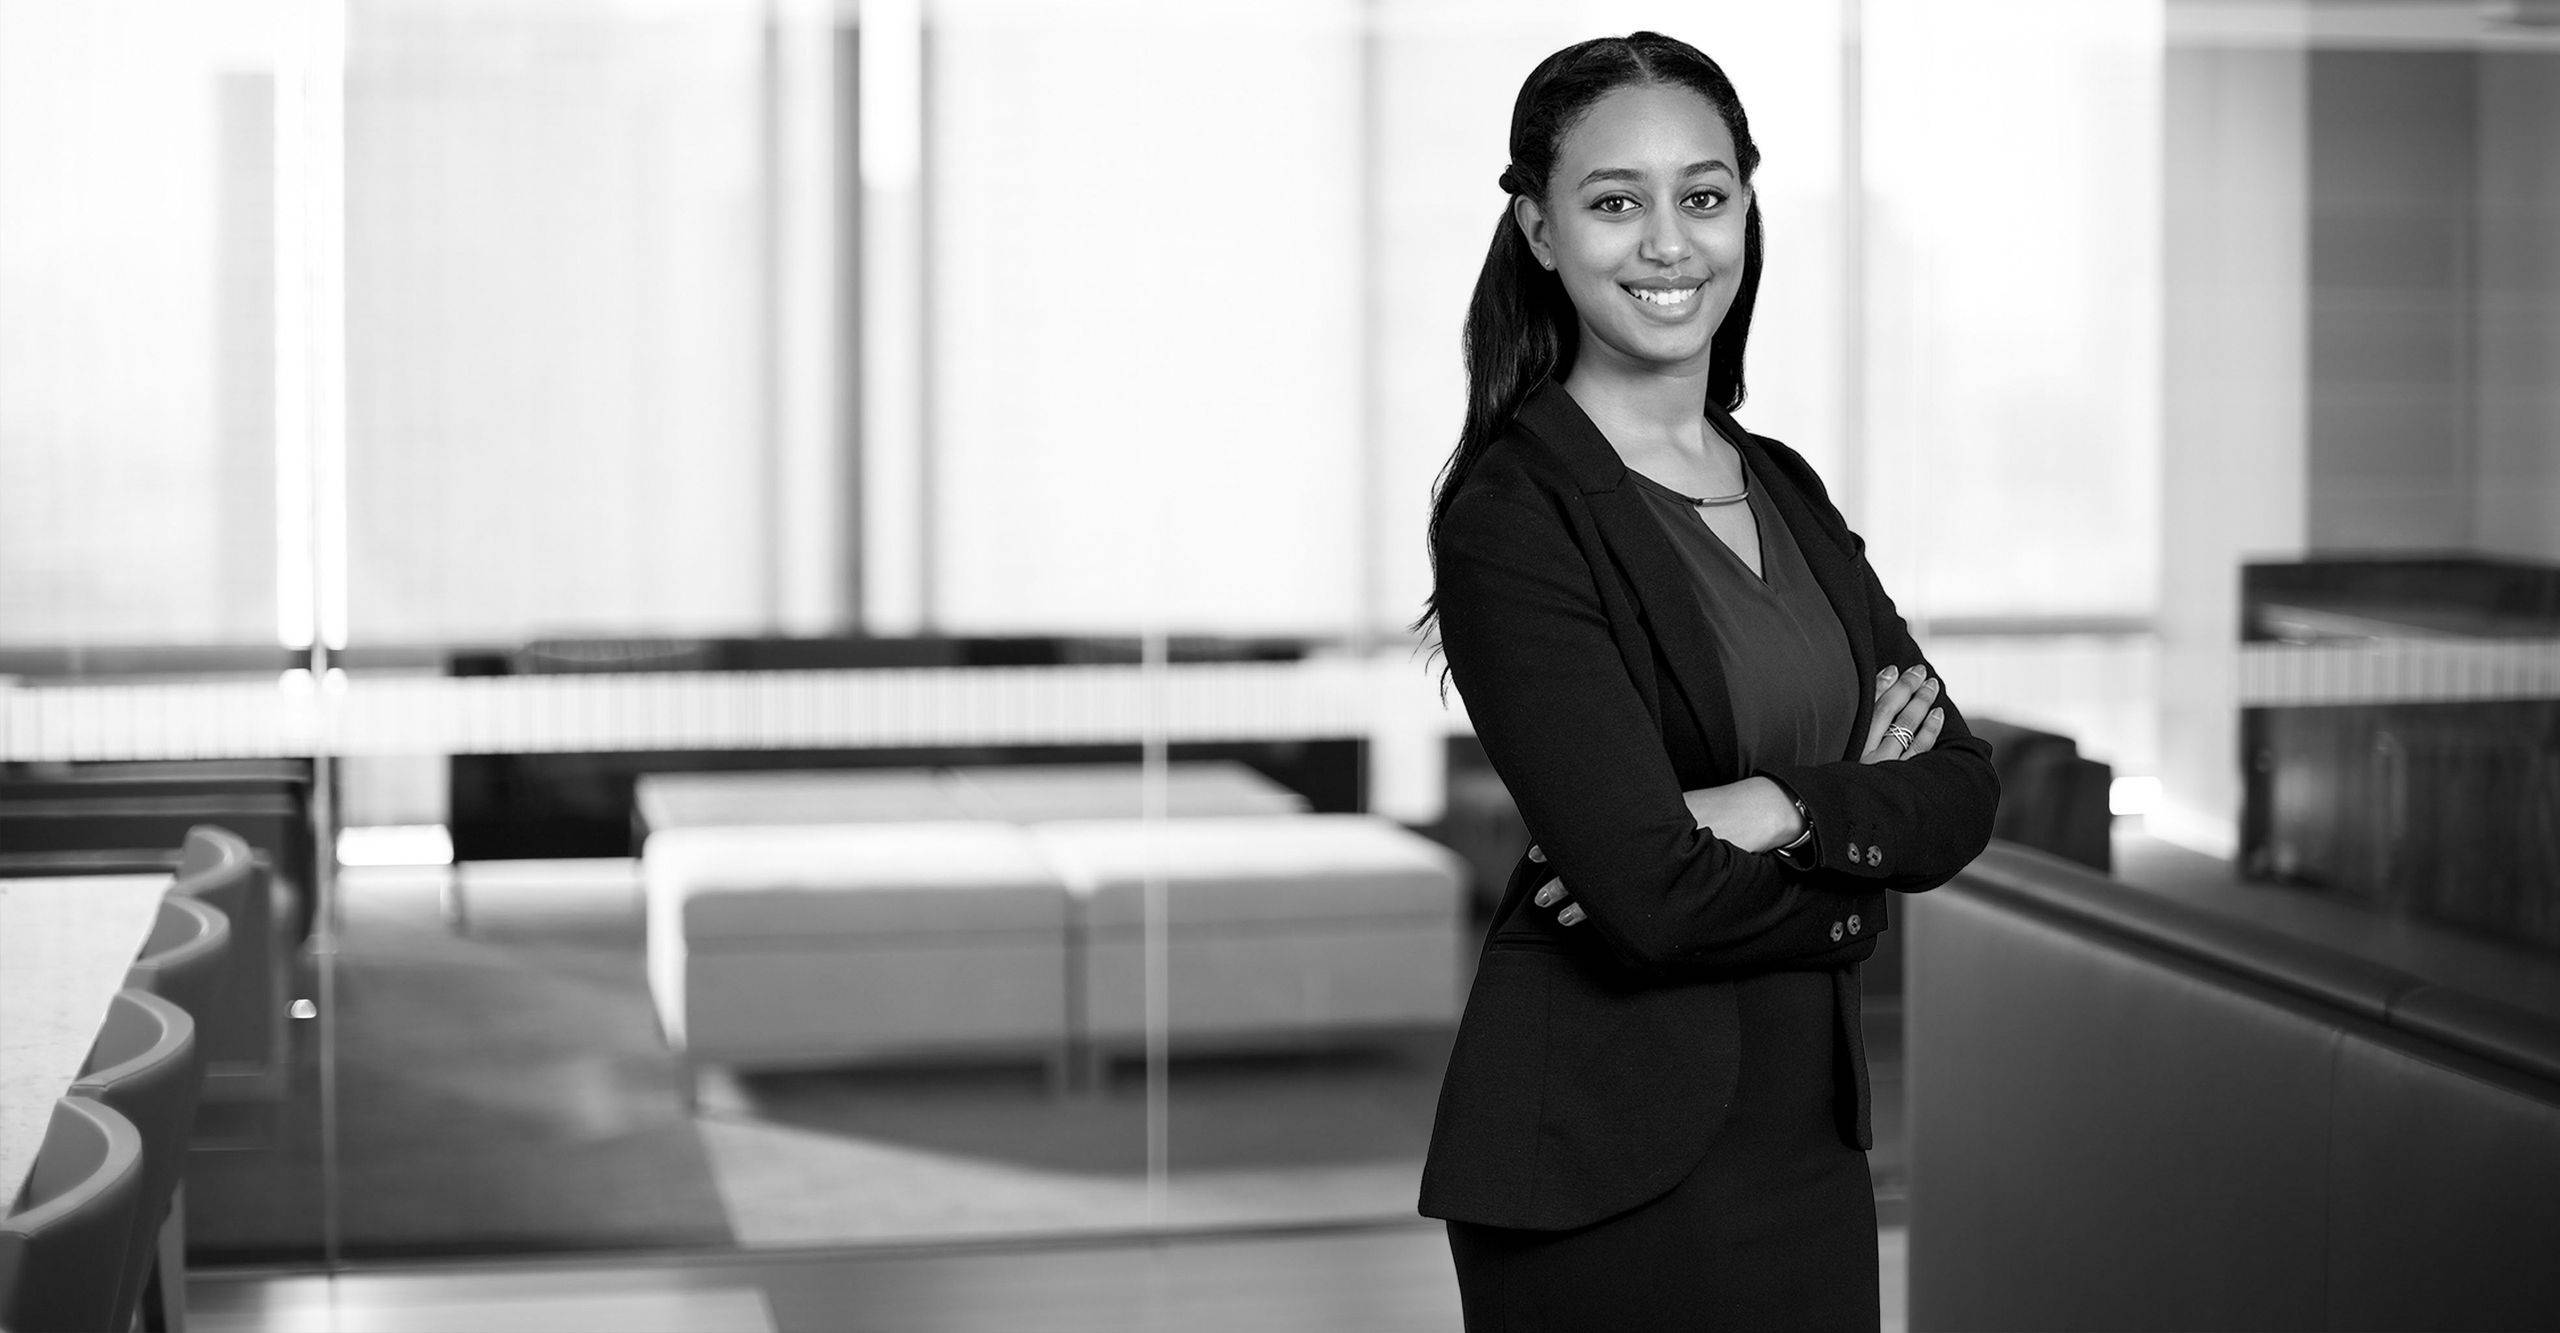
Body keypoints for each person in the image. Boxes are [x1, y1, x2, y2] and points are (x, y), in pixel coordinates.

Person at [1411, 31, 2000, 1330]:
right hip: (1604, 1164)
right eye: (1616, 201)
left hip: (1805, 1142)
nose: (1669, 242)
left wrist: (1772, 805)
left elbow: (1960, 789)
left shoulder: (1782, 483)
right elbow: (1650, 897)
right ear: (1540, 230)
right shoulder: (1516, 513)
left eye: (1705, 194)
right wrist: (1856, 853)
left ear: (1745, 211)